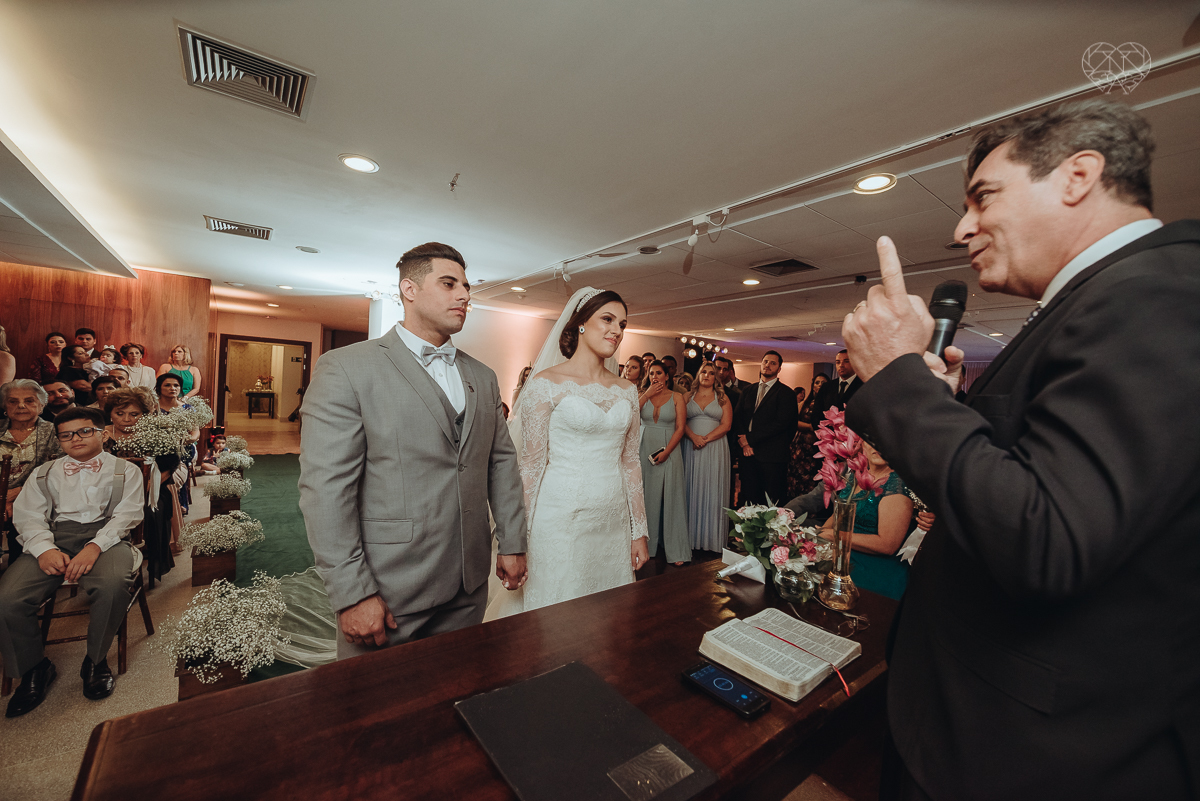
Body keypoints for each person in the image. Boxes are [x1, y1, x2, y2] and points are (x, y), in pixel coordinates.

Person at [841, 99, 1199, 799]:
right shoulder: (1098, 301)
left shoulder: (1156, 295)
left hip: (1028, 757)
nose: (961, 227)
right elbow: (1032, 477)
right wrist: (938, 405)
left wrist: (896, 380)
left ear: (1078, 175)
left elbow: (1047, 536)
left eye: (983, 196)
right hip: (978, 724)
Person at [299, 242, 528, 659]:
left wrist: (512, 542)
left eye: (466, 286)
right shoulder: (348, 368)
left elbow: (500, 463)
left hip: (468, 583)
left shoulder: (483, 376)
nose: (464, 295)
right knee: (374, 712)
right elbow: (326, 490)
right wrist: (351, 594)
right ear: (409, 289)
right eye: (448, 283)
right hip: (389, 589)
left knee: (457, 696)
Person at [489, 286, 648, 618]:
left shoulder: (627, 391)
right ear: (580, 323)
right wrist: (517, 541)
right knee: (556, 613)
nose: (616, 331)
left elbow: (630, 462)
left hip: (612, 522)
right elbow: (530, 468)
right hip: (559, 519)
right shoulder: (546, 384)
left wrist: (639, 531)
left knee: (605, 617)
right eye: (607, 319)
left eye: (622, 324)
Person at [0, 406, 144, 716]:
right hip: (53, 536)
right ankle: (34, 668)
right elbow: (28, 516)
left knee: (112, 585)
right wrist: (44, 549)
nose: (74, 439)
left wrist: (94, 546)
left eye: (84, 431)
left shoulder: (125, 470)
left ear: (102, 433)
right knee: (8, 597)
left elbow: (128, 515)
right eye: (66, 435)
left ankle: (95, 661)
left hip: (107, 537)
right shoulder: (44, 472)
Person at [104, 387, 184, 581]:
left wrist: (148, 487)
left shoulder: (155, 433)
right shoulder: (101, 435)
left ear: (145, 414)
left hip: (151, 489)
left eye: (134, 414)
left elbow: (171, 463)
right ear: (110, 414)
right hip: (107, 490)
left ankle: (152, 562)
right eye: (119, 413)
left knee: (152, 510)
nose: (126, 419)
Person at [817, 441, 913, 601]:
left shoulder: (896, 485)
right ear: (862, 444)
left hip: (873, 568)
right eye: (872, 440)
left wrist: (836, 536)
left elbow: (888, 545)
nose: (878, 446)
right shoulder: (858, 474)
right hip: (844, 554)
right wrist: (819, 537)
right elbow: (837, 515)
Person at [1, 380, 65, 558]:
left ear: (42, 405)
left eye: (29, 401)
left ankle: (18, 575)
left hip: (37, 498)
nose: (21, 405)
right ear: (5, 405)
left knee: (27, 516)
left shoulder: (55, 432)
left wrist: (20, 493)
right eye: (13, 401)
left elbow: (60, 470)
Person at [637, 360, 688, 566]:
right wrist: (646, 395)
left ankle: (675, 549)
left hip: (670, 449)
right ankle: (646, 546)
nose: (655, 376)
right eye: (651, 373)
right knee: (645, 496)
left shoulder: (677, 397)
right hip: (645, 446)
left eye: (659, 373)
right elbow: (630, 415)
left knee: (671, 496)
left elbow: (681, 427)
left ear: (667, 376)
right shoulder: (643, 396)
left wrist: (667, 451)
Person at [732, 351, 797, 505]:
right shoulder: (748, 390)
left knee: (771, 500)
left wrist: (750, 439)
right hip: (748, 455)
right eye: (765, 361)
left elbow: (782, 424)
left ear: (779, 368)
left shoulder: (786, 393)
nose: (768, 365)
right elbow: (738, 416)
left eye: (773, 363)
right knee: (748, 497)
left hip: (772, 456)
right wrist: (744, 442)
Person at [682, 362, 732, 554]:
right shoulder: (687, 397)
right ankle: (688, 537)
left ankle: (711, 538)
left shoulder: (722, 398)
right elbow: (680, 421)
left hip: (715, 447)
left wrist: (705, 439)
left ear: (715, 378)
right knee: (690, 487)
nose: (707, 375)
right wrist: (694, 437)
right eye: (703, 371)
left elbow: (726, 425)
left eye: (711, 373)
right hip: (690, 445)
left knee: (712, 488)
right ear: (698, 374)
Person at [787, 372, 829, 497]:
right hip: (800, 445)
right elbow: (793, 422)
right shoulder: (805, 403)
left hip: (817, 446)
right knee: (796, 476)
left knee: (812, 477)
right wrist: (811, 426)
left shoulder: (829, 403)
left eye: (823, 383)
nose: (820, 385)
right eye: (817, 382)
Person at [808, 350, 859, 426]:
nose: (841, 365)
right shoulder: (827, 386)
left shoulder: (864, 386)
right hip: (827, 433)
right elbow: (816, 413)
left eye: (846, 361)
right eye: (838, 362)